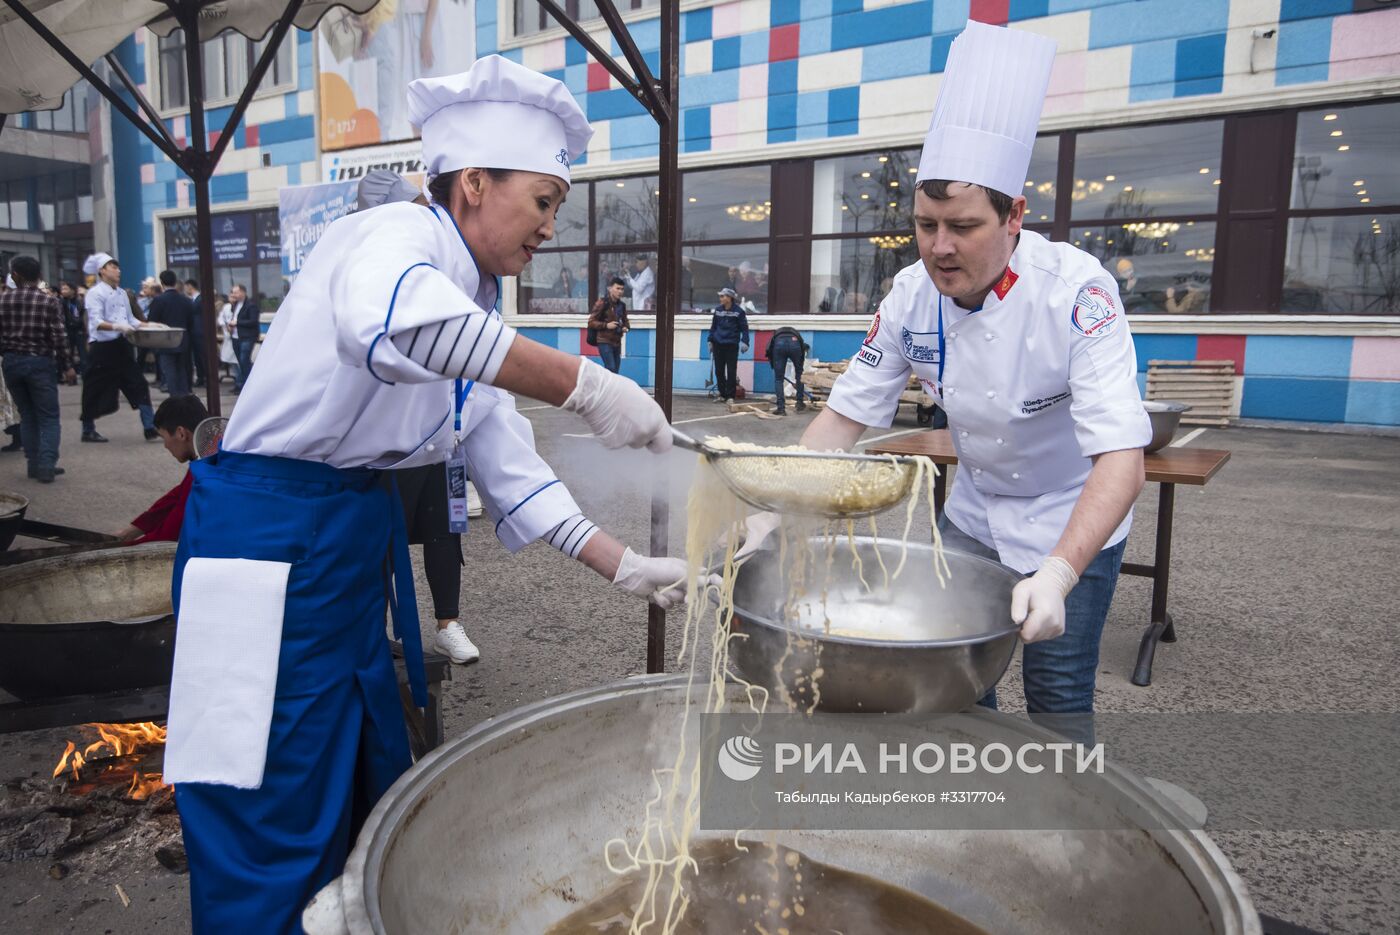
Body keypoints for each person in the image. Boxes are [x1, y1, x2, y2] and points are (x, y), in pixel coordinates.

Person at [164, 56, 686, 934]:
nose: (551, 227)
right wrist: (584, 384)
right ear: (474, 183)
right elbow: (391, 321)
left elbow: (503, 455)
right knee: (262, 780)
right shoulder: (388, 241)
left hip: (337, 540)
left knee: (351, 761)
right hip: (266, 535)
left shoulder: (468, 295)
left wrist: (623, 563)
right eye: (544, 201)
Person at [767, 23, 1150, 725]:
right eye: (924, 224)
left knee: (1058, 694)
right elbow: (843, 416)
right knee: (959, 685)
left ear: (1015, 217)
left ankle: (1063, 833)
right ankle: (970, 816)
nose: (939, 248)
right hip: (974, 516)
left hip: (1073, 512)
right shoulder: (910, 295)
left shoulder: (1078, 293)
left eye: (964, 226)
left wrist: (1059, 573)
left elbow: (1122, 460)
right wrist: (772, 509)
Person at [0, 255, 77, 482]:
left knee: (27, 415)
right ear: (39, 275)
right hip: (41, 363)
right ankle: (46, 465)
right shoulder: (49, 302)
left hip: (12, 363)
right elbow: (60, 338)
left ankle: (33, 464)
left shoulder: (2, 301)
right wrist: (68, 366)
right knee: (49, 417)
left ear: (15, 275)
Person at [79, 253, 157, 444]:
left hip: (121, 346)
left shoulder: (122, 293)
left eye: (118, 267)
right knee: (93, 388)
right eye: (112, 266)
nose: (118, 270)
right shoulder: (95, 293)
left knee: (139, 383)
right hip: (101, 349)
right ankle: (87, 429)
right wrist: (117, 326)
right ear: (102, 271)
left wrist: (152, 326)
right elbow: (96, 322)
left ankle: (150, 426)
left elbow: (131, 320)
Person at [116, 394, 208, 543]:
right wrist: (136, 528)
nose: (165, 445)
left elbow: (168, 534)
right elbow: (177, 495)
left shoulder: (205, 474)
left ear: (181, 433)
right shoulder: (211, 454)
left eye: (164, 437)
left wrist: (123, 548)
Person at [146, 270, 197, 396]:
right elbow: (191, 321)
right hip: (183, 340)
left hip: (165, 341)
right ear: (175, 282)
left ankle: (175, 398)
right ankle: (185, 396)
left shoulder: (158, 301)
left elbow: (152, 321)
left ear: (162, 283)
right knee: (183, 370)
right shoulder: (186, 300)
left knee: (170, 372)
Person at [707, 287, 748, 403]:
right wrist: (710, 340)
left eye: (722, 296)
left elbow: (744, 329)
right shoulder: (718, 310)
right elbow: (713, 327)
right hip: (718, 344)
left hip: (731, 345)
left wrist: (745, 342)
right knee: (719, 371)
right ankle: (722, 394)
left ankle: (730, 396)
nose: (720, 298)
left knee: (731, 371)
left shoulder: (739, 312)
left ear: (729, 298)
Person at [588, 277, 628, 374]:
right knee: (611, 367)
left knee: (615, 370)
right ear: (610, 288)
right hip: (604, 340)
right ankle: (605, 388)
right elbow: (591, 322)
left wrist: (625, 327)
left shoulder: (621, 305)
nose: (620, 291)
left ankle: (609, 388)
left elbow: (625, 320)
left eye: (622, 289)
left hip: (617, 341)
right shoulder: (602, 303)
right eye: (617, 288)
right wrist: (606, 325)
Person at [766, 326, 809, 416]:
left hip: (779, 344)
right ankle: (799, 403)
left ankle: (781, 409)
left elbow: (768, 350)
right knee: (799, 375)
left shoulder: (774, 336)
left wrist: (774, 365)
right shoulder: (797, 335)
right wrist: (800, 368)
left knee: (778, 379)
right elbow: (801, 351)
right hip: (795, 344)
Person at [228, 283, 260, 391]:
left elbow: (253, 321)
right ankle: (241, 384)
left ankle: (250, 384)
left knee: (244, 359)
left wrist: (237, 323)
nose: (234, 295)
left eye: (236, 292)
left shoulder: (251, 305)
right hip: (236, 336)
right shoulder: (235, 304)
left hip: (247, 337)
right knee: (240, 361)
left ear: (243, 292)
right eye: (233, 292)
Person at [57, 282, 87, 374]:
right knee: (68, 354)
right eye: (62, 289)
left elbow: (81, 316)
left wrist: (79, 323)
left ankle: (85, 375)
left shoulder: (79, 302)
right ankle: (70, 375)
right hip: (67, 330)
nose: (63, 291)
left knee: (83, 355)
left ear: (73, 290)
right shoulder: (61, 302)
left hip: (79, 331)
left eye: (66, 289)